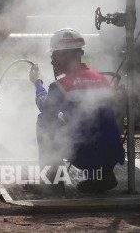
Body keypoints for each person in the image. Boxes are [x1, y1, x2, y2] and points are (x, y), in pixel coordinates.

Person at [29, 28, 125, 193]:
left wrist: (37, 83)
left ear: (66, 55)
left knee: (45, 119)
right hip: (113, 154)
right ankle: (106, 175)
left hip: (85, 154)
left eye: (54, 56)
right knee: (97, 123)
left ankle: (53, 180)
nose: (52, 62)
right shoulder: (101, 79)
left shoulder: (61, 85)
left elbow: (45, 106)